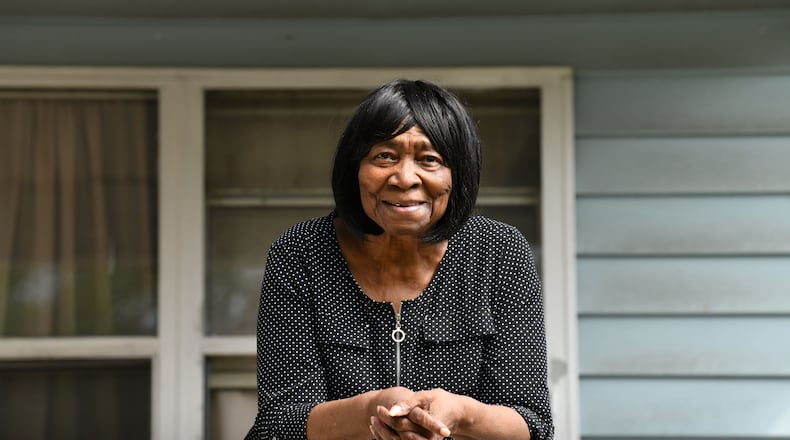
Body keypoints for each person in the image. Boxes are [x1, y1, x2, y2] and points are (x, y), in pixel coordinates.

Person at [245, 79, 554, 440]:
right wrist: (372, 410)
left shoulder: (498, 252)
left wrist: (461, 415)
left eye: (429, 160)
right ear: (355, 169)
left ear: (458, 174)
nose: (405, 179)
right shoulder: (301, 253)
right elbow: (278, 425)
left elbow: (532, 424)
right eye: (384, 156)